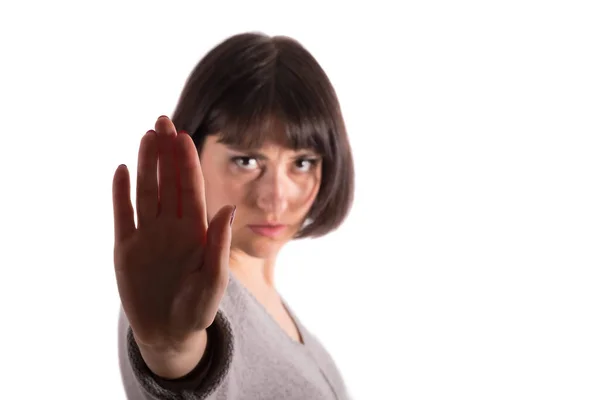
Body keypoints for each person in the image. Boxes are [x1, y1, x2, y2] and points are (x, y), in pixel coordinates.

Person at [112, 32, 355, 399]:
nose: (275, 197)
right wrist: (171, 352)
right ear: (190, 151)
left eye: (302, 162)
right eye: (246, 161)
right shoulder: (179, 296)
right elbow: (190, 366)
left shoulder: (272, 304)